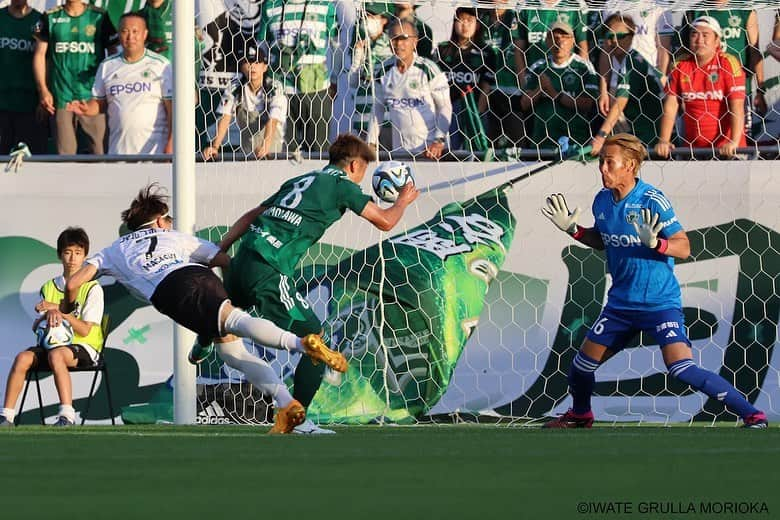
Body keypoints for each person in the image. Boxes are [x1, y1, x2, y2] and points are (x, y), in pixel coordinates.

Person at [64, 184, 348, 434]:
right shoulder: (175, 237)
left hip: (172, 291)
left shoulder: (113, 250)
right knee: (233, 352)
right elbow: (222, 259)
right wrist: (227, 291)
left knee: (234, 320)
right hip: (198, 277)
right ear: (160, 221)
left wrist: (69, 306)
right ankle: (289, 406)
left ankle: (300, 344)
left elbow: (74, 282)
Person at [540, 133, 768, 429]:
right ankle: (581, 415)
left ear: (630, 166)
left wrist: (656, 244)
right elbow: (603, 240)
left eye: (610, 162)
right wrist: (575, 231)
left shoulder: (652, 200)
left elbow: (684, 247)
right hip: (621, 306)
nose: (603, 169)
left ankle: (753, 414)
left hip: (659, 303)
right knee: (581, 366)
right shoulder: (602, 201)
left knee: (681, 368)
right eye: (601, 162)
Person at [197, 134, 418, 434]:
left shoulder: (301, 179)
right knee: (314, 339)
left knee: (227, 312)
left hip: (242, 259)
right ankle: (295, 416)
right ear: (353, 165)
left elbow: (252, 215)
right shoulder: (343, 186)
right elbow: (385, 221)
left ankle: (205, 337)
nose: (361, 179)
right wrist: (403, 201)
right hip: (270, 269)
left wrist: (220, 248)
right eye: (363, 171)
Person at [0, 227, 104, 427]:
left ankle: (67, 416)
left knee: (57, 355)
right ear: (59, 255)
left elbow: (85, 330)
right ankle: (6, 417)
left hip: (85, 347)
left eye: (78, 253)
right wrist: (44, 317)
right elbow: (40, 329)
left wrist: (59, 311)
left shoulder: (92, 288)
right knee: (22, 358)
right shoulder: (48, 287)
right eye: (67, 252)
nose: (72, 258)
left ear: (85, 256)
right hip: (52, 347)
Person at [66, 13, 172, 155]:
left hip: (155, 153)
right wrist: (86, 109)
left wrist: (171, 146)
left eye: (135, 32)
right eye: (125, 31)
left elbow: (172, 110)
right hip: (118, 153)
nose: (130, 37)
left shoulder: (161, 65)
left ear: (145, 34)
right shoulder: (107, 65)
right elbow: (99, 104)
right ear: (118, 34)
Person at [32, 0, 117, 155]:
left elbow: (113, 53)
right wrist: (43, 90)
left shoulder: (99, 16)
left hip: (93, 98)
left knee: (100, 153)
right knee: (65, 156)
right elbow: (39, 55)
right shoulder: (50, 17)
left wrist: (109, 89)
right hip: (61, 97)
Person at [655, 16, 746, 158]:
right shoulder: (680, 65)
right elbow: (671, 105)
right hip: (693, 150)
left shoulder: (729, 63)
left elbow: (737, 106)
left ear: (717, 41)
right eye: (694, 34)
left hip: (727, 150)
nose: (699, 40)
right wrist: (664, 141)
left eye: (705, 35)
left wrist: (733, 142)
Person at [258, 0, 340, 154]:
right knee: (284, 152)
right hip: (281, 92)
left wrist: (334, 80)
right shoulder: (270, 6)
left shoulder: (325, 6)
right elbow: (261, 47)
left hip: (317, 90)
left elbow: (337, 46)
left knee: (318, 152)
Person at [366, 19, 452, 159]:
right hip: (400, 151)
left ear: (415, 42)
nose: (398, 44)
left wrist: (439, 141)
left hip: (431, 151)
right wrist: (371, 142)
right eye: (394, 39)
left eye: (404, 38)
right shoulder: (383, 71)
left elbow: (445, 107)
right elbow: (377, 109)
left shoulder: (428, 70)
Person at [590, 14, 664, 155]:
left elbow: (620, 102)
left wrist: (601, 137)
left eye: (620, 36)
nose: (614, 41)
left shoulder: (632, 61)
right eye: (609, 36)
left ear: (631, 37)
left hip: (653, 136)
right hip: (643, 132)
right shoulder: (624, 61)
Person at [520, 21, 598, 152]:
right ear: (547, 41)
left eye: (564, 37)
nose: (560, 41)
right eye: (555, 37)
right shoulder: (538, 67)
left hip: (575, 142)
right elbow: (524, 104)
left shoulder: (583, 66)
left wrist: (554, 93)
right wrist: (540, 89)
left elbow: (588, 104)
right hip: (542, 143)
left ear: (573, 40)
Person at [202, 45, 287, 160]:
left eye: (257, 63)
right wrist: (215, 147)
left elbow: (273, 119)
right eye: (247, 62)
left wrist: (265, 146)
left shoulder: (274, 87)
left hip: (273, 152)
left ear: (265, 67)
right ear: (242, 67)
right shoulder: (235, 87)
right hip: (247, 153)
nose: (252, 67)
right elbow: (225, 117)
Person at [435, 7, 496, 152]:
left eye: (470, 21)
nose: (465, 25)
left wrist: (478, 113)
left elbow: (487, 86)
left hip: (474, 109)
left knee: (476, 151)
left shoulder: (486, 52)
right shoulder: (442, 49)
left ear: (478, 24)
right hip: (448, 110)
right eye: (461, 20)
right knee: (452, 152)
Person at [0, 0, 47, 155]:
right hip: (2, 104)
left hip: (30, 106)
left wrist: (43, 96)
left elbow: (47, 61)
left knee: (29, 161)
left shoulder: (40, 21)